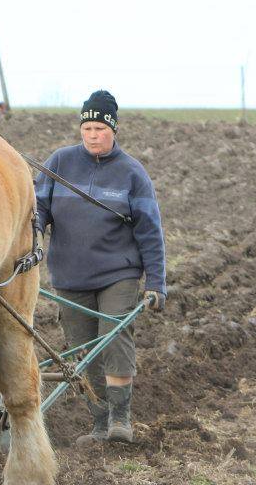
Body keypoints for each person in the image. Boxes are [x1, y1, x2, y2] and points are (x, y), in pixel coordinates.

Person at [34, 90, 166, 444]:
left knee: (114, 338)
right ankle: (99, 422)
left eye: (100, 129)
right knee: (84, 350)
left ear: (114, 129)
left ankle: (120, 419)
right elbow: (38, 208)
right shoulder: (59, 162)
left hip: (117, 275)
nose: (93, 136)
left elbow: (150, 232)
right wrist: (34, 231)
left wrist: (156, 282)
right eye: (87, 129)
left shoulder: (132, 173)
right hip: (69, 277)